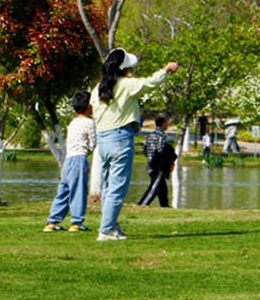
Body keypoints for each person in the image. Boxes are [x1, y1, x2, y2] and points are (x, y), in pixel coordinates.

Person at [91, 48, 178, 241]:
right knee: (117, 186)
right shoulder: (126, 85)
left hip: (103, 140)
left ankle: (111, 226)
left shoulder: (97, 89)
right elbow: (150, 83)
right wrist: (166, 70)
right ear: (124, 69)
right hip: (120, 138)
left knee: (108, 185)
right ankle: (106, 230)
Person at [43, 90, 97, 232]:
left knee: (63, 191)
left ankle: (52, 222)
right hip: (80, 160)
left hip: (68, 161)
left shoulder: (72, 123)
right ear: (89, 106)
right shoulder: (89, 123)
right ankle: (77, 222)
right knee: (79, 191)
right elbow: (93, 143)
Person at [138, 115, 177, 207]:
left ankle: (165, 205)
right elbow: (160, 149)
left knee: (162, 187)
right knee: (154, 188)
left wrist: (150, 157)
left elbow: (144, 149)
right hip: (157, 166)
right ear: (163, 124)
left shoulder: (150, 135)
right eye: (166, 122)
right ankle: (142, 205)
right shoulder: (162, 134)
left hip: (150, 164)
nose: (167, 124)